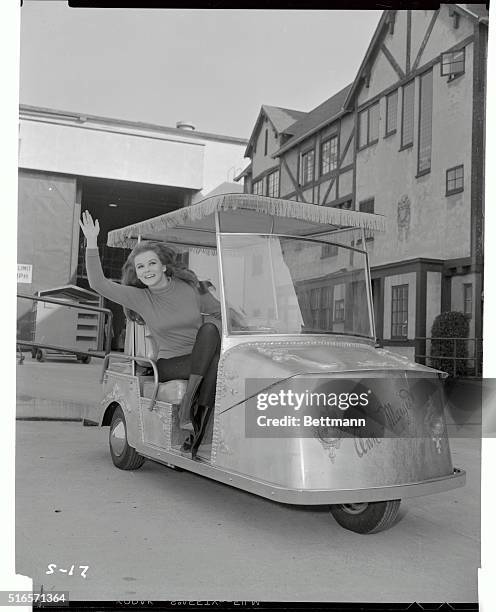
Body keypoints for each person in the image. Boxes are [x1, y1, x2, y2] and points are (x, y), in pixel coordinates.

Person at [79, 211, 220, 457]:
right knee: (214, 360)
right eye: (140, 266)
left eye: (152, 263)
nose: (147, 270)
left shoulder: (192, 287)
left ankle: (192, 418)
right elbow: (98, 284)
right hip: (168, 364)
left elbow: (220, 314)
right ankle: (192, 416)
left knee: (211, 337)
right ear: (137, 273)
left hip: (202, 356)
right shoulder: (141, 298)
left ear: (164, 266)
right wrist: (92, 241)